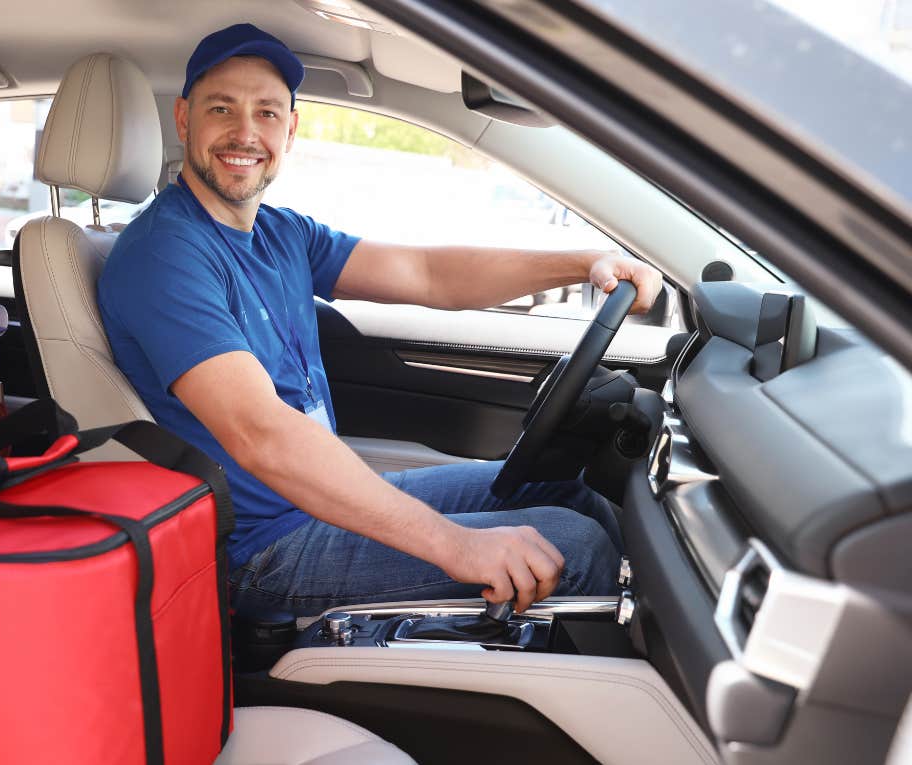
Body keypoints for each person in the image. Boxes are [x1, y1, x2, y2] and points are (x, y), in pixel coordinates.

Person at [97, 23, 663, 618]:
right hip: (261, 553)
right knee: (574, 547)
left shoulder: (279, 232)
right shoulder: (165, 254)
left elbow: (426, 274)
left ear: (290, 131)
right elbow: (260, 435)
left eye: (267, 113)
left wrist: (584, 262)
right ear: (185, 119)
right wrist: (456, 546)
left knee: (568, 489)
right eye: (222, 109)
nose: (245, 133)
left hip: (316, 504)